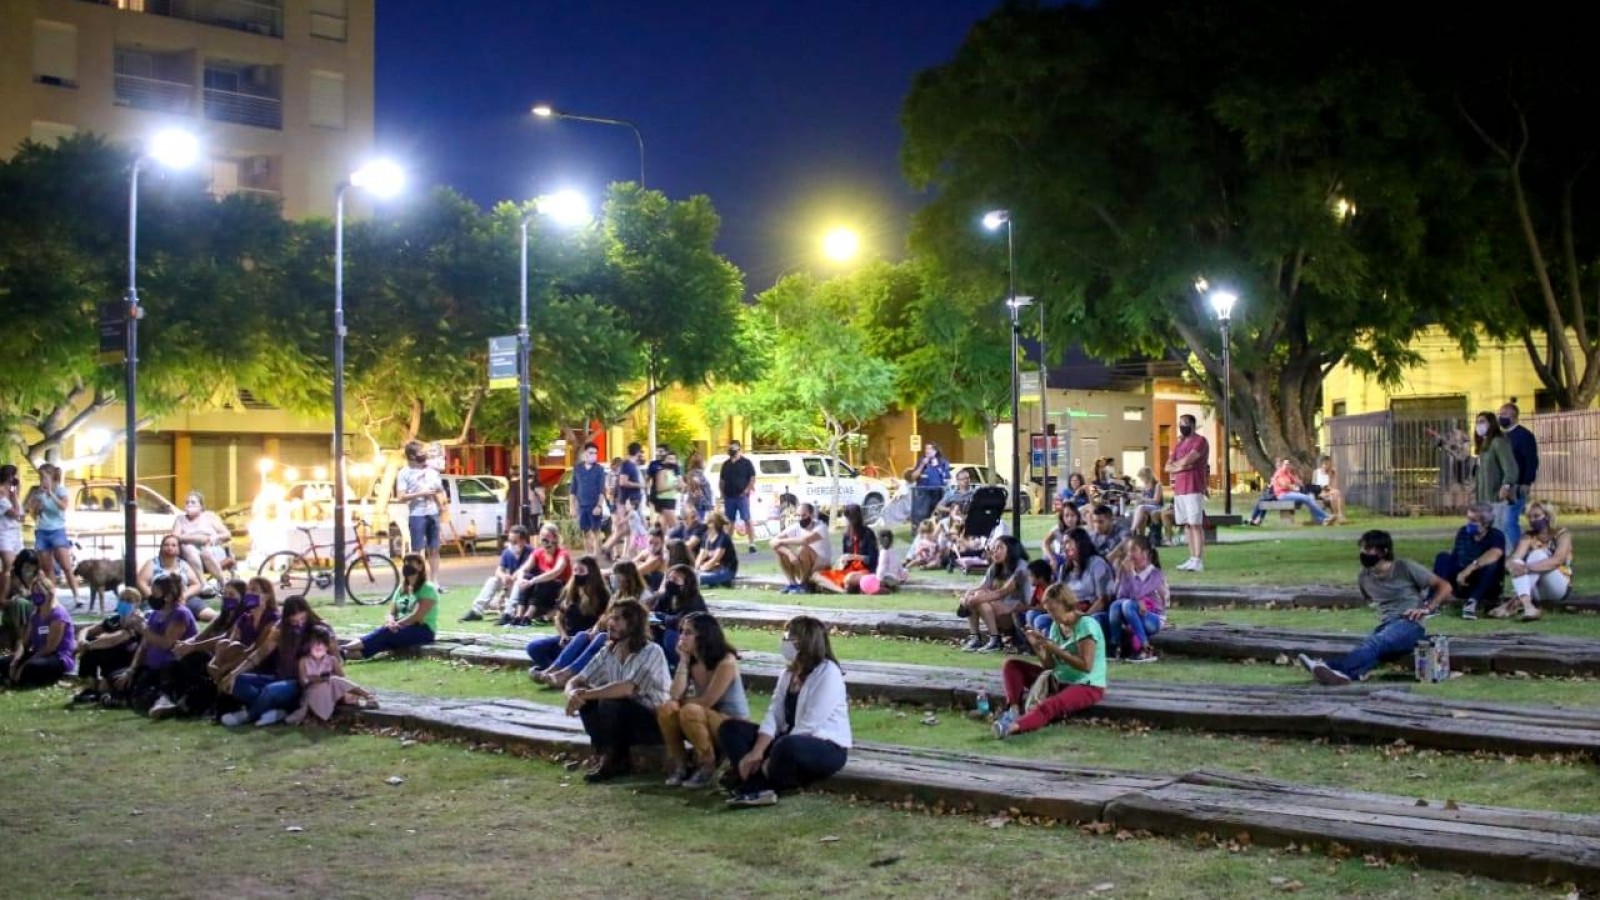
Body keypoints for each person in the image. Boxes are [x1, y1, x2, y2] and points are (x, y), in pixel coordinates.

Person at [719, 616, 851, 808]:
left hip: (824, 745)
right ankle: (756, 782)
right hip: (786, 737)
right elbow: (774, 713)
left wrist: (770, 754)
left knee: (786, 746)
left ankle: (754, 785)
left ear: (805, 642)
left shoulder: (829, 673)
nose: (784, 641)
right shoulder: (788, 674)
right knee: (731, 728)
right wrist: (757, 751)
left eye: (790, 637)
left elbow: (810, 724)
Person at [1299, 530, 1452, 686]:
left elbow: (1445, 586)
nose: (1363, 553)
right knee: (1373, 651)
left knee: (1374, 644)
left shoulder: (1404, 567)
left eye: (1367, 549)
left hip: (1410, 624)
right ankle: (1337, 674)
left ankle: (1331, 669)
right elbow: (1370, 600)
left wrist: (1426, 608)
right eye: (1362, 549)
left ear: (1383, 551)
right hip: (1386, 625)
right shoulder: (1364, 577)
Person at [565, 599, 671, 783]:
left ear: (633, 624)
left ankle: (614, 761)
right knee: (591, 699)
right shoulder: (608, 651)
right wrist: (572, 693)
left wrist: (585, 694)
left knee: (608, 700)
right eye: (610, 618)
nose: (610, 623)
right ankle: (605, 755)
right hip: (621, 721)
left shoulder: (652, 651)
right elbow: (578, 679)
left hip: (654, 723)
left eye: (617, 619)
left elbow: (627, 688)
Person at [994, 583, 1107, 739]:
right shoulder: (1056, 626)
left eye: (1054, 610)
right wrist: (1038, 646)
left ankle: (1013, 727)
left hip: (1086, 685)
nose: (1051, 615)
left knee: (1050, 704)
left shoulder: (1086, 625)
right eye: (1048, 611)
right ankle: (1013, 710)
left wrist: (1056, 650)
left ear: (1065, 604)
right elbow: (1050, 666)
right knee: (1012, 665)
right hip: (1058, 679)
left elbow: (1086, 666)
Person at [658, 611, 750, 789]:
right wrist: (683, 661)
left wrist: (684, 702)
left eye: (688, 632)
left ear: (704, 636)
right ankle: (681, 765)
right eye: (681, 631)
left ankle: (708, 765)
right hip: (704, 718)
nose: (681, 637)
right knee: (666, 709)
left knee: (689, 709)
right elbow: (675, 695)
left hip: (733, 726)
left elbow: (708, 701)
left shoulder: (726, 661)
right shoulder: (692, 661)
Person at [219, 595, 323, 726]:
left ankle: (249, 715)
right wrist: (234, 673)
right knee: (238, 681)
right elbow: (259, 655)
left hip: (300, 683)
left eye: (303, 620)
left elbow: (335, 658)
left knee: (271, 690)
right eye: (294, 622)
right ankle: (275, 711)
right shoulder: (280, 629)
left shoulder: (320, 629)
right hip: (279, 676)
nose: (299, 625)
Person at [115, 573, 198, 712]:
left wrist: (143, 628)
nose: (151, 596)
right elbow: (143, 646)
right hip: (152, 667)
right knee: (127, 686)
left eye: (155, 593)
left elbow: (167, 643)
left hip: (172, 668)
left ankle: (170, 702)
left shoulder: (180, 614)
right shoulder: (155, 614)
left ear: (169, 596)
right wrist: (132, 670)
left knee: (146, 698)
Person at [527, 555, 611, 686]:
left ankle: (558, 673)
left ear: (591, 573)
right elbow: (558, 618)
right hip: (567, 639)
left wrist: (594, 629)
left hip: (586, 640)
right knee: (533, 647)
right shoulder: (569, 591)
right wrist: (563, 635)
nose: (577, 574)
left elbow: (604, 618)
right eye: (575, 571)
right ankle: (553, 671)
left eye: (581, 571)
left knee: (581, 638)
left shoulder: (602, 594)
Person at [342, 553, 438, 660]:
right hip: (400, 628)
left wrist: (396, 624)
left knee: (385, 633)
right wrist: (390, 621)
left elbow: (417, 616)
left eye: (410, 563)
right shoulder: (402, 588)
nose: (407, 566)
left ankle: (342, 648)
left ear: (420, 566)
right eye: (405, 563)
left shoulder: (428, 589)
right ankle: (343, 655)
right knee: (380, 641)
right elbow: (392, 612)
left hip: (422, 630)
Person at [71, 587, 147, 705]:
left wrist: (89, 646)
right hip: (110, 659)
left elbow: (116, 638)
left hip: (128, 662)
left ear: (137, 603)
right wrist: (81, 640)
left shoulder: (138, 622)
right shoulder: (114, 620)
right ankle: (92, 687)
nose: (125, 603)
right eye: (122, 599)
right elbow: (87, 630)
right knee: (90, 643)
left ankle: (109, 694)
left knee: (113, 685)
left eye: (129, 600)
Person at [1431, 502, 1507, 620]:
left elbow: (1495, 554)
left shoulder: (1496, 535)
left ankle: (1472, 603)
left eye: (1473, 520)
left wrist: (1470, 569)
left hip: (1485, 584)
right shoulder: (1463, 532)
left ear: (1485, 523)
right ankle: (1434, 599)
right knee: (1443, 558)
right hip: (1462, 581)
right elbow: (1456, 556)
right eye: (1468, 519)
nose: (1469, 523)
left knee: (1491, 565)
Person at [286, 627, 377, 724]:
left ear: (327, 646)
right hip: (312, 691)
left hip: (331, 692)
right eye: (315, 643)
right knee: (321, 686)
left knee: (334, 680)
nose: (318, 647)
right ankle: (315, 714)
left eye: (322, 644)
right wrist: (314, 679)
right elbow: (303, 681)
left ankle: (368, 695)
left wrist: (327, 678)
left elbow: (342, 680)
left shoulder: (332, 660)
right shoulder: (304, 661)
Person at [1501, 501, 1571, 622]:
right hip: (1535, 590)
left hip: (1558, 586)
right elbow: (1514, 559)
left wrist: (1527, 568)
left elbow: (1558, 560)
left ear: (1547, 516)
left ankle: (1515, 603)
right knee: (1518, 562)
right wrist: (1512, 565)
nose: (1532, 520)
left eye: (1537, 516)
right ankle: (1528, 607)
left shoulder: (1561, 534)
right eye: (1530, 517)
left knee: (1537, 554)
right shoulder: (1528, 536)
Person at [960, 535, 1031, 653]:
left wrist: (974, 599)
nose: (994, 551)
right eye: (994, 548)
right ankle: (976, 638)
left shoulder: (1022, 567)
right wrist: (968, 595)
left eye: (999, 548)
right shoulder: (995, 567)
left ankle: (995, 640)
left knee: (979, 600)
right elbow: (982, 587)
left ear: (1011, 549)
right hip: (1001, 609)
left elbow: (1003, 592)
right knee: (978, 598)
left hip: (1018, 613)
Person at [1, 576, 74, 688]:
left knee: (31, 667)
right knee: (4, 662)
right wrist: (16, 660)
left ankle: (20, 680)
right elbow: (25, 644)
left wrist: (24, 664)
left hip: (57, 657)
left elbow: (50, 648)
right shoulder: (35, 616)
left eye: (40, 592)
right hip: (38, 653)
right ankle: (16, 679)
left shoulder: (58, 615)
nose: (36, 595)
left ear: (49, 594)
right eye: (34, 592)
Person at [1103, 535, 1167, 663]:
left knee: (1127, 605)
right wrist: (1120, 575)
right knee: (1116, 605)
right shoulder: (1127, 572)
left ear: (1145, 553)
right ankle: (1116, 646)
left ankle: (1146, 648)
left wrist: (1131, 574)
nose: (1129, 555)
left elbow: (1138, 594)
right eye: (1128, 551)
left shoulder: (1156, 574)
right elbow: (1120, 596)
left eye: (1133, 550)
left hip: (1152, 618)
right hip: (1131, 614)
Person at [25, 463, 79, 604]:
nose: (41, 480)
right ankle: (52, 598)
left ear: (51, 476)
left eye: (43, 476)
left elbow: (63, 506)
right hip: (42, 531)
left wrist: (50, 494)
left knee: (66, 567)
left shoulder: (60, 490)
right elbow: (33, 514)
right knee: (47, 568)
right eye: (40, 477)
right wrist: (36, 506)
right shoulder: (39, 492)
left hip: (57, 531)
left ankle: (77, 596)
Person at [1166, 414, 1210, 572]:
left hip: (1194, 487)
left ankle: (1198, 560)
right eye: (1180, 424)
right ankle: (1192, 558)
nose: (1181, 427)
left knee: (1195, 524)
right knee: (1186, 524)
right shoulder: (1179, 444)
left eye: (1184, 424)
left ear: (1192, 424)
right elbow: (1167, 466)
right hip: (1179, 489)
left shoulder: (1200, 441)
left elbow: (1189, 460)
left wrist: (1180, 465)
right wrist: (1181, 466)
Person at [396, 440, 445, 584]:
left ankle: (434, 582)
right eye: (419, 453)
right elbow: (401, 497)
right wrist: (419, 493)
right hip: (417, 514)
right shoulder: (404, 473)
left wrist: (440, 505)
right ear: (411, 456)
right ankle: (419, 582)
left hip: (432, 512)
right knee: (417, 551)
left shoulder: (429, 470)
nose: (423, 455)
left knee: (434, 548)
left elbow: (437, 488)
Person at [462, 524, 531, 622]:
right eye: (510, 541)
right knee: (493, 580)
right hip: (511, 587)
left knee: (518, 583)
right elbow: (498, 570)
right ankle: (477, 611)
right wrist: (503, 576)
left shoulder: (531, 553)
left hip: (523, 590)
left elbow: (526, 572)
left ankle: (509, 614)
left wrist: (515, 578)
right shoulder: (507, 553)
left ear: (523, 541)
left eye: (515, 542)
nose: (511, 545)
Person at [506, 524, 572, 625]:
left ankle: (528, 615)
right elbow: (523, 569)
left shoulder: (562, 554)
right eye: (541, 535)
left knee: (544, 580)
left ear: (554, 538)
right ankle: (519, 615)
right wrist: (521, 580)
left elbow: (555, 572)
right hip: (545, 589)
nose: (543, 538)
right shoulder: (538, 552)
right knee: (527, 577)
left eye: (546, 536)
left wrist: (533, 581)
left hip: (561, 588)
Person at [137, 535, 208, 622]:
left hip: (181, 599)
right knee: (151, 618)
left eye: (174, 545)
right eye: (166, 545)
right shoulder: (152, 563)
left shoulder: (183, 564)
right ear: (161, 548)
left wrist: (184, 596)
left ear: (178, 549)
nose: (170, 547)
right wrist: (154, 598)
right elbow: (141, 582)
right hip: (158, 601)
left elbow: (196, 584)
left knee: (207, 614)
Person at [171, 491, 232, 589]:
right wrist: (197, 538)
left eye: (193, 502)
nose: (189, 505)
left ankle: (222, 582)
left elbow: (227, 534)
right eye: (187, 502)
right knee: (188, 547)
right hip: (191, 555)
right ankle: (204, 584)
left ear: (201, 506)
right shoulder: (180, 519)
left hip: (212, 549)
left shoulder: (209, 517)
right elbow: (174, 537)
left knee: (205, 552)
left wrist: (215, 537)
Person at [811, 504, 877, 594]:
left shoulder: (868, 533)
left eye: (846, 517)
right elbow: (845, 557)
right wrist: (842, 561)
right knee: (815, 575)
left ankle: (833, 587)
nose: (845, 520)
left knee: (849, 578)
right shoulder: (846, 536)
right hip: (847, 570)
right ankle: (842, 591)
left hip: (864, 571)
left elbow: (873, 559)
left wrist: (854, 556)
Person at [1498, 402, 1538, 546]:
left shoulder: (1525, 436)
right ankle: (1518, 548)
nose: (1500, 417)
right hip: (1503, 485)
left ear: (1514, 417)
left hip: (1517, 485)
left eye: (1504, 414)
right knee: (1503, 521)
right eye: (1500, 414)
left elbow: (1531, 460)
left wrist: (1527, 482)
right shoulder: (1502, 437)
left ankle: (1518, 551)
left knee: (1509, 520)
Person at [655, 564, 708, 672]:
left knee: (670, 636)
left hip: (695, 636)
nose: (671, 582)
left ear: (686, 582)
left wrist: (663, 617)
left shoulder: (694, 598)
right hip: (672, 630)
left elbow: (681, 620)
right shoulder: (669, 595)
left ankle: (676, 668)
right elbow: (656, 611)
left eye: (675, 579)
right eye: (669, 578)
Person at [771, 503, 830, 594]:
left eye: (804, 515)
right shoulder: (796, 527)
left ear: (812, 515)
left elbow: (804, 541)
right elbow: (773, 542)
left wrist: (781, 541)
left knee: (804, 549)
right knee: (781, 550)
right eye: (798, 515)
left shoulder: (821, 527)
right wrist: (789, 553)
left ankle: (803, 585)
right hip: (803, 566)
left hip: (820, 569)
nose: (801, 518)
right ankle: (793, 585)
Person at [1058, 528, 1116, 619]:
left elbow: (1103, 599)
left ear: (1080, 543)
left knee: (1096, 618)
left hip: (1094, 612)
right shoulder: (1064, 568)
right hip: (1071, 613)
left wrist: (1084, 617)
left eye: (1068, 542)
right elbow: (1059, 598)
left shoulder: (1097, 563)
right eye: (1063, 544)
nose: (1064, 547)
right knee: (1041, 619)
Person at [1471, 411, 1519, 522]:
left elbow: (1510, 466)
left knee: (1499, 529)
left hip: (1496, 498)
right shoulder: (1484, 446)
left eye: (1482, 421)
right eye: (1477, 422)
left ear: (1491, 423)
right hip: (1484, 499)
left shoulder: (1498, 442)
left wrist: (1506, 486)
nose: (1478, 425)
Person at [718, 440, 759, 554]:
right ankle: (728, 545)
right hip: (729, 497)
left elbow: (752, 478)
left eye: (733, 448)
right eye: (729, 448)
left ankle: (752, 544)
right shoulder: (726, 464)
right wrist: (722, 493)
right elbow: (722, 481)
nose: (731, 450)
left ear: (739, 449)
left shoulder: (746, 463)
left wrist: (746, 490)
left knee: (747, 519)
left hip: (742, 497)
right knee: (729, 521)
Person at [571, 442, 608, 557]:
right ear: (584, 454)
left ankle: (596, 557)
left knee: (596, 532)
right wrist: (572, 507)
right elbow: (573, 490)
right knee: (585, 532)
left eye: (595, 453)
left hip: (594, 506)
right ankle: (588, 556)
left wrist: (599, 506)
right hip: (582, 506)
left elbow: (602, 490)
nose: (593, 455)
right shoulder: (577, 469)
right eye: (591, 453)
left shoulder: (599, 469)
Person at [909, 442, 952, 527]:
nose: (927, 451)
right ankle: (921, 532)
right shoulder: (921, 461)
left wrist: (938, 467)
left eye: (930, 449)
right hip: (923, 495)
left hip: (938, 493)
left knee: (938, 515)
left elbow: (947, 478)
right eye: (926, 449)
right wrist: (922, 465)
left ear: (935, 451)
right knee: (923, 516)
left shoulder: (943, 462)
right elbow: (913, 477)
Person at [695, 511, 739, 588]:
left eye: (706, 521)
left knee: (696, 579)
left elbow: (715, 559)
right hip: (714, 569)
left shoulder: (723, 537)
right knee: (691, 576)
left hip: (727, 570)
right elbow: (701, 555)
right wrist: (696, 569)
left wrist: (702, 569)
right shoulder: (706, 537)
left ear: (712, 524)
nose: (704, 523)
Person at [0, 464, 22, 602]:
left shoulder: (11, 493)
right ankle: (2, 599)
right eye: (16, 475)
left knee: (17, 567)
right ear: (10, 477)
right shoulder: (1, 493)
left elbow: (21, 514)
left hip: (15, 534)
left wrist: (16, 493)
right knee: (8, 567)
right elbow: (16, 513)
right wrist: (15, 496)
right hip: (4, 534)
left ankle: (12, 596)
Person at [864, 529, 905, 594]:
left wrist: (878, 579)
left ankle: (882, 590)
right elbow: (899, 567)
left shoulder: (883, 553)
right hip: (895, 579)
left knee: (872, 583)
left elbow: (881, 567)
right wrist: (902, 578)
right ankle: (891, 588)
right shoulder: (895, 552)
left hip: (886, 578)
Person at [1128, 467, 1164, 537]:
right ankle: (1140, 536)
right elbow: (1142, 499)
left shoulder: (1157, 485)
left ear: (1147, 476)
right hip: (1146, 507)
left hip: (1157, 506)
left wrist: (1142, 499)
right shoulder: (1144, 486)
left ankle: (1132, 529)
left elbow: (1156, 501)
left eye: (1141, 477)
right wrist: (1136, 499)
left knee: (1141, 507)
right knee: (1138, 512)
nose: (1141, 480)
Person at [1311, 455, 1347, 525]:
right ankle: (1339, 515)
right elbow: (1313, 485)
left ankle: (1336, 516)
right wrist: (1322, 487)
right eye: (1326, 464)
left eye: (1329, 464)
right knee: (1336, 493)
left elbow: (1332, 487)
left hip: (1327, 492)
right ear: (1323, 464)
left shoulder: (1329, 474)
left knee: (1335, 495)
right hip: (1319, 493)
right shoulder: (1316, 472)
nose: (1328, 466)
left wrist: (1335, 475)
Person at [652, 448, 681, 531]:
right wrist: (673, 487)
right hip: (664, 501)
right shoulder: (661, 472)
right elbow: (659, 488)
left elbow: (681, 486)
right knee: (675, 526)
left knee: (663, 527)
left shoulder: (674, 473)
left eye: (673, 459)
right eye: (669, 458)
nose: (671, 461)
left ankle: (661, 542)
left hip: (672, 500)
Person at [616, 442, 646, 515]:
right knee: (631, 523)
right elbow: (623, 482)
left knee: (639, 522)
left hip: (634, 500)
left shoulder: (633, 465)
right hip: (629, 501)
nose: (642, 455)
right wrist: (640, 485)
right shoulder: (627, 464)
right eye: (641, 452)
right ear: (638, 452)